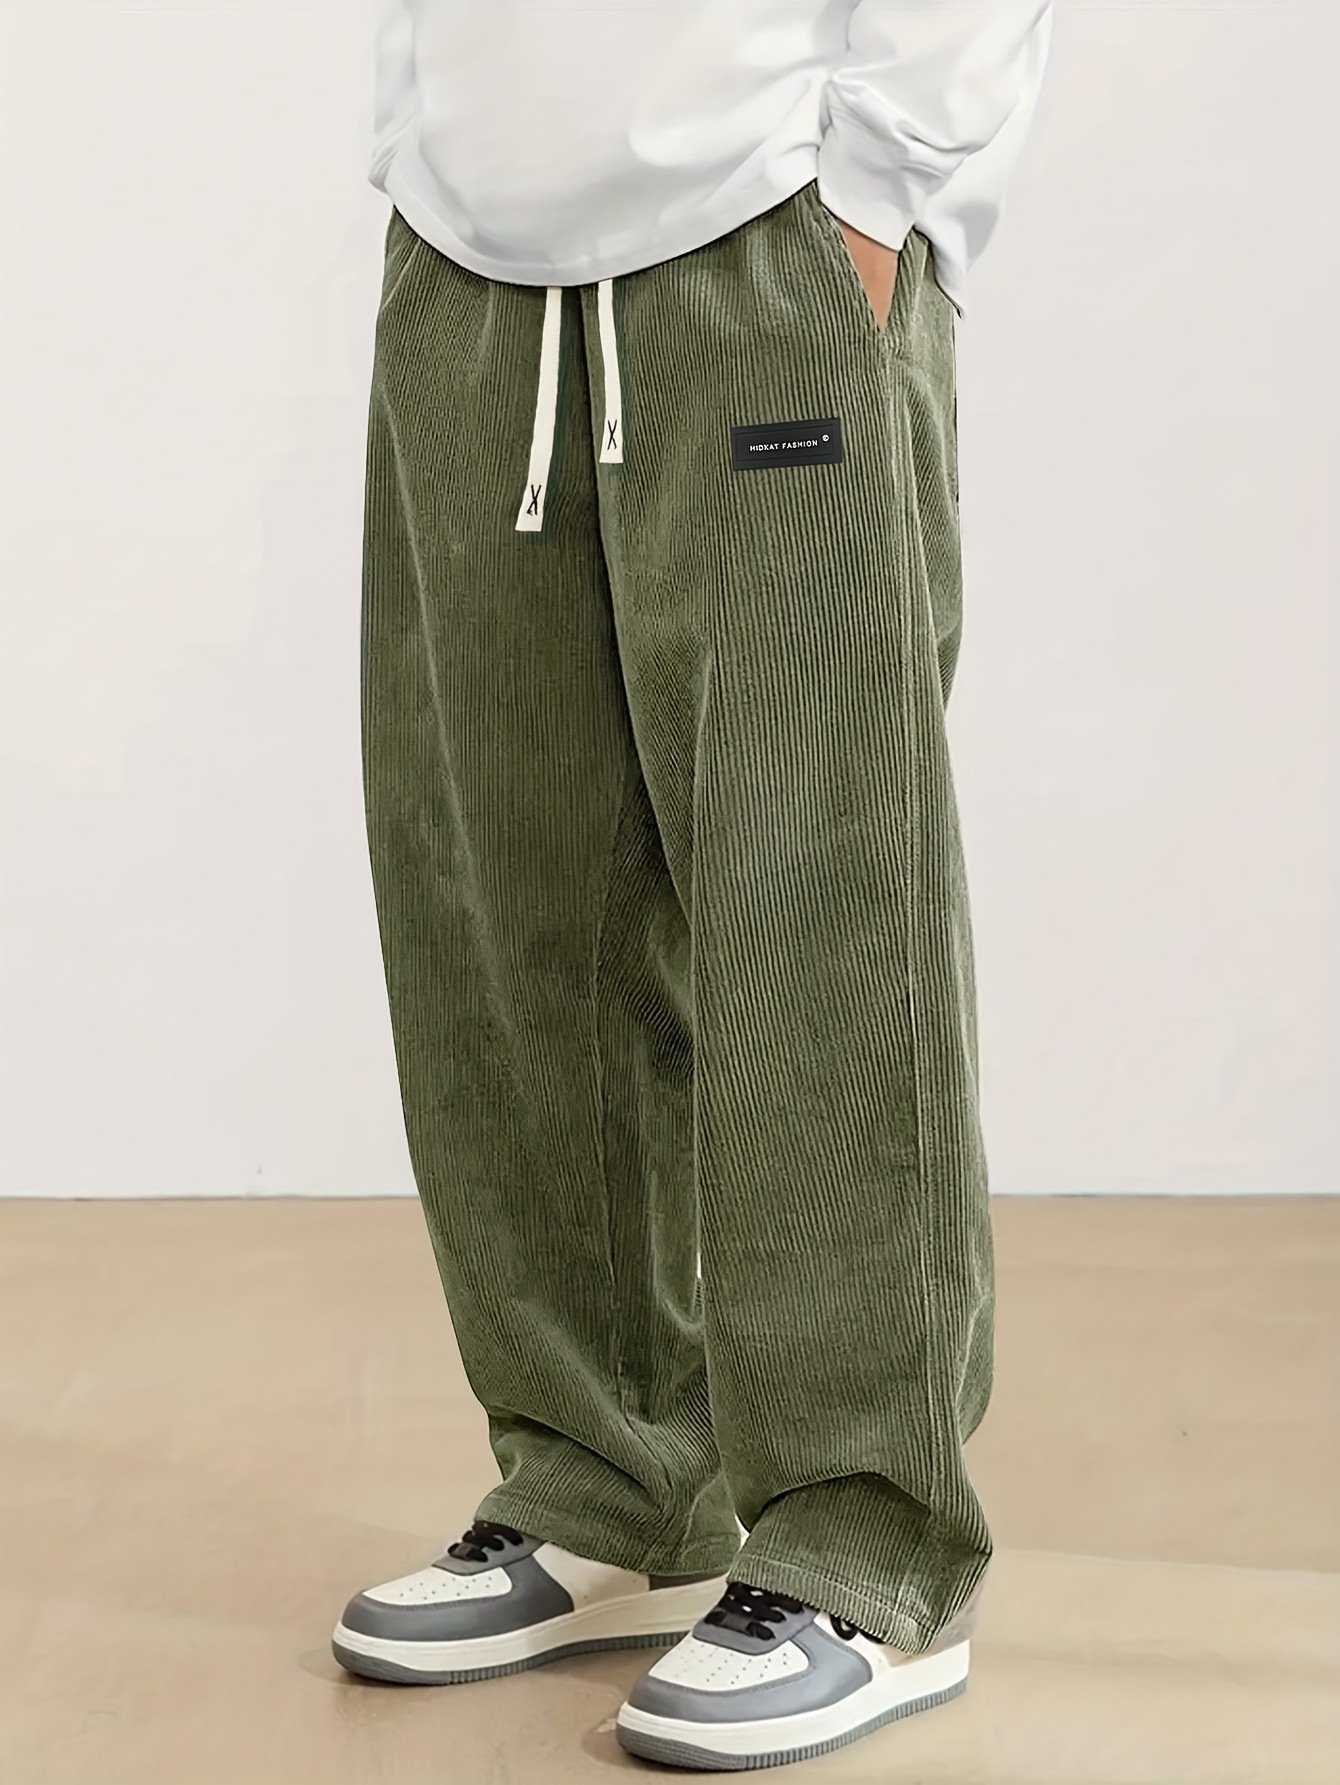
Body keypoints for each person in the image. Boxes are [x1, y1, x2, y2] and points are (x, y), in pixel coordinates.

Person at [332, 1, 1053, 1769]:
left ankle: (869, 1542)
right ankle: (608, 1472)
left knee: (815, 895)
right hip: (472, 267)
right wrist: (417, 145)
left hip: (767, 233)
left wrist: (880, 192)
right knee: (501, 901)